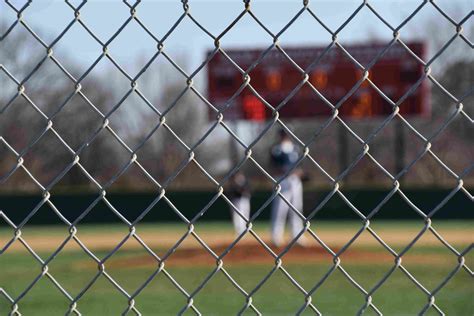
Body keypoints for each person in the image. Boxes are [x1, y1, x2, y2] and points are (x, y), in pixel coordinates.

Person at [270, 129, 306, 247]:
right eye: (283, 134)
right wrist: (285, 171)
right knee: (280, 209)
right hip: (282, 180)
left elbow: (300, 166)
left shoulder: (295, 148)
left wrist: (297, 172)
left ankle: (297, 235)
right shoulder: (276, 149)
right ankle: (276, 236)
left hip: (295, 181)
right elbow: (273, 166)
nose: (285, 136)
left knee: (296, 209)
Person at [227, 171, 251, 236]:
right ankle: (239, 232)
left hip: (245, 199)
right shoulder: (234, 182)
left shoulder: (244, 181)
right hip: (237, 200)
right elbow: (232, 192)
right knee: (237, 217)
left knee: (245, 216)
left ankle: (245, 230)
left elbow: (247, 190)